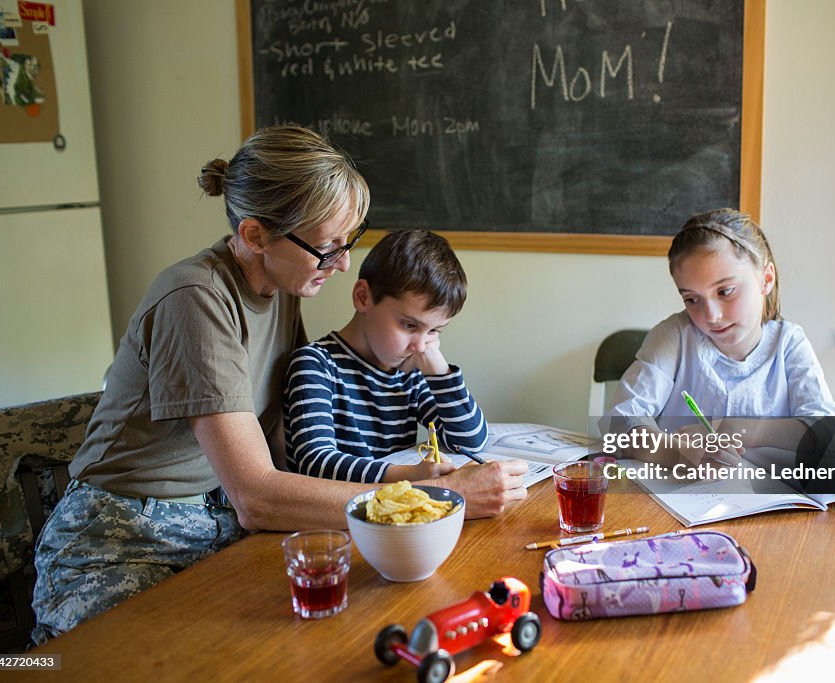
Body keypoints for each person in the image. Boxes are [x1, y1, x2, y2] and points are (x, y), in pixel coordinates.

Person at [31, 126, 526, 643]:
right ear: (254, 236)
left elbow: (285, 443)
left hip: (218, 529)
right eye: (326, 248)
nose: (342, 264)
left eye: (348, 243)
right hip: (124, 541)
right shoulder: (195, 298)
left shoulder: (286, 285)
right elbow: (258, 496)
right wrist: (435, 495)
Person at [601, 208, 835, 467]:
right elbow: (619, 427)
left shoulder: (789, 344)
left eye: (725, 291)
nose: (711, 315)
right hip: (676, 501)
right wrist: (675, 452)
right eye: (692, 299)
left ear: (766, 278)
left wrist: (735, 429)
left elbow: (827, 434)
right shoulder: (674, 337)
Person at [284, 229, 491, 483]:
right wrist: (410, 476)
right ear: (363, 297)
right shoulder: (315, 364)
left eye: (434, 330)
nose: (420, 346)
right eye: (409, 325)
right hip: (330, 517)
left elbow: (469, 441)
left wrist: (440, 373)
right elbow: (315, 462)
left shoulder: (410, 372)